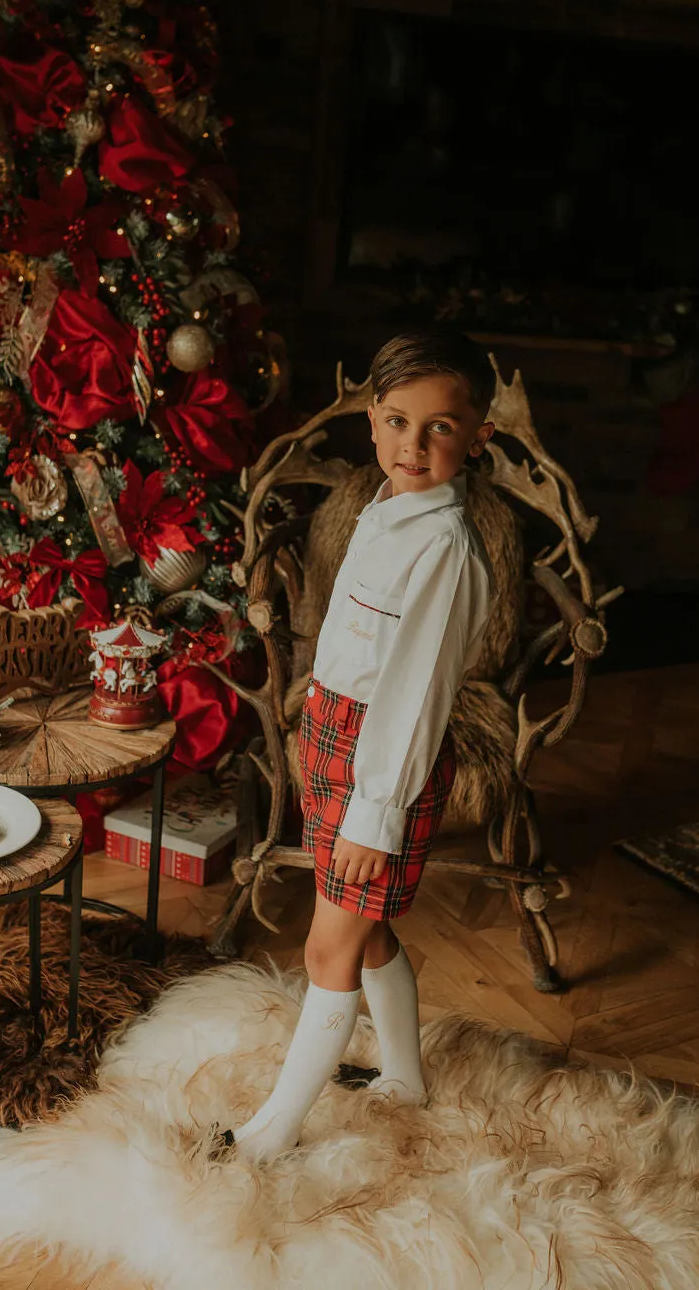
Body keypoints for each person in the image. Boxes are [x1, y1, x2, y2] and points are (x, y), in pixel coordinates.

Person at [227, 327, 494, 1164]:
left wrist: (376, 816)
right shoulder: (386, 508)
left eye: (440, 427)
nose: (414, 445)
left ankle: (271, 1134)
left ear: (477, 435)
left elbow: (415, 693)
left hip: (385, 761)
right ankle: (406, 1079)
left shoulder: (444, 547)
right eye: (398, 421)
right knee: (369, 930)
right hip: (341, 739)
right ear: (373, 422)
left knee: (328, 943)